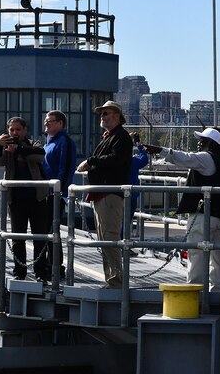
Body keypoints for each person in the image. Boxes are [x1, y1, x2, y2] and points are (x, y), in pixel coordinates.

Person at [144, 127, 220, 291]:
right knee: (218, 256)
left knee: (196, 254)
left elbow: (183, 158)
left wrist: (160, 150)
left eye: (203, 140)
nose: (199, 142)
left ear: (211, 143)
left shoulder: (206, 158)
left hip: (203, 216)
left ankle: (196, 289)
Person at [76, 101, 132, 289]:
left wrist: (91, 162)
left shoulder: (121, 137)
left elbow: (116, 159)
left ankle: (116, 281)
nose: (102, 116)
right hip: (102, 193)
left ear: (116, 116)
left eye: (105, 113)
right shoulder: (110, 137)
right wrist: (93, 163)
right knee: (103, 239)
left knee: (109, 238)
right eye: (101, 113)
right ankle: (112, 279)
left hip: (110, 193)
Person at [0, 117, 51, 282]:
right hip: (16, 199)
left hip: (37, 198)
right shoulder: (6, 149)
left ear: (25, 130)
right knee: (18, 237)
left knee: (40, 237)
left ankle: (41, 272)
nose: (15, 133)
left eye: (18, 130)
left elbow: (38, 156)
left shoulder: (34, 144)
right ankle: (20, 271)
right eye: (11, 130)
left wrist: (18, 149)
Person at [42, 110, 77, 276]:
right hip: (45, 193)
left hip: (55, 194)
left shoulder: (65, 141)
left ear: (60, 123)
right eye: (45, 121)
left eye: (50, 121)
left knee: (52, 230)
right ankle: (49, 264)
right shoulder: (48, 142)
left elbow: (66, 168)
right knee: (45, 230)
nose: (46, 123)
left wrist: (58, 191)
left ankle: (57, 267)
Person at [124, 131, 149, 241]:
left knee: (116, 220)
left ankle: (116, 245)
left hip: (116, 194)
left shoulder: (117, 160)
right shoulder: (132, 161)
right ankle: (124, 244)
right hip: (131, 195)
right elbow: (144, 159)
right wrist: (139, 145)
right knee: (126, 220)